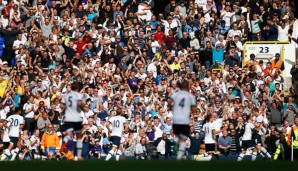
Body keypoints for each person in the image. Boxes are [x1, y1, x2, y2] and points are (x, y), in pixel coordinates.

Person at [168, 80, 197, 160]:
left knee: (177, 136)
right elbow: (194, 110)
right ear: (187, 87)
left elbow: (169, 102)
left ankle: (177, 145)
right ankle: (181, 153)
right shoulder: (190, 96)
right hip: (184, 120)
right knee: (184, 137)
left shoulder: (176, 94)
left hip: (176, 119)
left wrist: (173, 105)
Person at [60, 82, 84, 159]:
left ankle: (64, 141)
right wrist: (83, 109)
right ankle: (79, 156)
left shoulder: (66, 96)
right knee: (79, 136)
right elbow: (79, 104)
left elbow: (61, 105)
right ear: (77, 88)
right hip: (76, 118)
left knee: (69, 135)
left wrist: (67, 108)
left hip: (68, 117)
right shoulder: (78, 95)